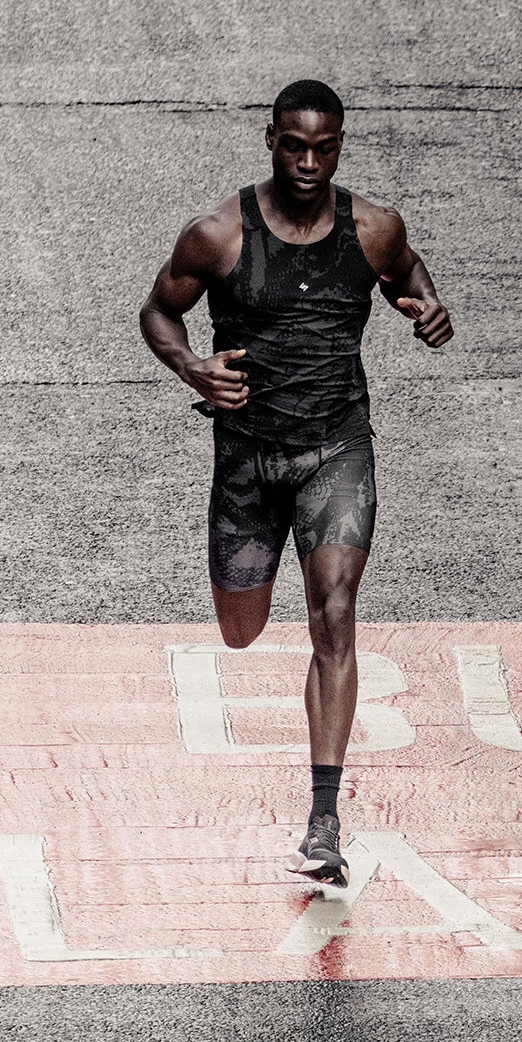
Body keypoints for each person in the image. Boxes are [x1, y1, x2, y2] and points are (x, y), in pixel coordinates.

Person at [140, 78, 452, 892]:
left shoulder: (375, 228)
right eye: (295, 146)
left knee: (335, 614)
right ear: (271, 140)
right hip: (248, 458)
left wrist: (428, 307)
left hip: (335, 450)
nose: (309, 163)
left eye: (325, 148)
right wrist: (193, 367)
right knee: (240, 629)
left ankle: (324, 822)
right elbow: (159, 311)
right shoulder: (217, 234)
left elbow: (407, 273)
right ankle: (319, 806)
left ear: (339, 145)